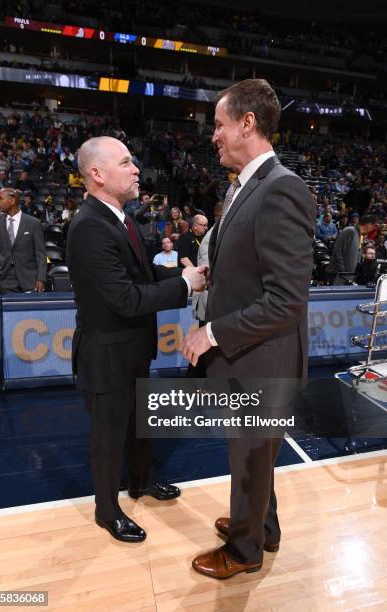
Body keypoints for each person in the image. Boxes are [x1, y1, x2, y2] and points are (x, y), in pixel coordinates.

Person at [182, 79, 315, 579]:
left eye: (219, 124)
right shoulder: (245, 186)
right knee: (254, 457)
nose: (213, 135)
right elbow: (256, 271)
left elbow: (286, 299)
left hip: (263, 358)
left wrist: (210, 332)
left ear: (247, 123)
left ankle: (244, 550)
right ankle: (264, 526)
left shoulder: (282, 187)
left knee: (250, 457)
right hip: (251, 355)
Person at [66, 136, 205, 544]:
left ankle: (141, 482)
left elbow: (142, 277)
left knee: (139, 426)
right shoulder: (90, 225)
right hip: (107, 354)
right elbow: (126, 298)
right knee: (108, 439)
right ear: (97, 174)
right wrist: (183, 284)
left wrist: (192, 278)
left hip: (131, 349)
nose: (136, 169)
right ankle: (106, 511)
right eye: (126, 162)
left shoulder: (120, 219)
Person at [0, 189, 46, 294]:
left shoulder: (33, 223)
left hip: (30, 279)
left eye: (0, 198)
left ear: (12, 201)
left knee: (30, 310)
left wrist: (41, 278)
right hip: (6, 278)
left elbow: (40, 253)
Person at [327, 215, 377, 284]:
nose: (373, 229)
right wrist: (343, 271)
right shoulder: (350, 231)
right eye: (373, 226)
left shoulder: (359, 235)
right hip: (338, 274)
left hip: (347, 275)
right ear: (369, 224)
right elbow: (337, 250)